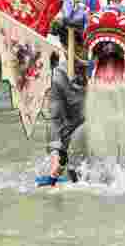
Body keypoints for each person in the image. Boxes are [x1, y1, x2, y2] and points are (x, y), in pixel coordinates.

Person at [47, 17, 88, 179]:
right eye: (75, 48)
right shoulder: (59, 78)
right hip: (75, 150)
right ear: (65, 48)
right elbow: (54, 123)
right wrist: (55, 158)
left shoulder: (107, 68)